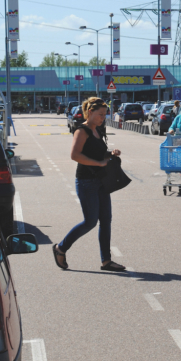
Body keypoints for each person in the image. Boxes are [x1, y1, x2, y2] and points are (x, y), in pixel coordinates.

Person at [53, 97, 125, 272]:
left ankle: (106, 261)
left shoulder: (98, 131)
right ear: (90, 112)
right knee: (90, 221)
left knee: (106, 221)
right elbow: (75, 155)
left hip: (101, 181)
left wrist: (110, 155)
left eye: (104, 114)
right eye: (100, 114)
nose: (103, 118)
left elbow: (98, 153)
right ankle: (60, 248)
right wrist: (98, 163)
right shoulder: (82, 131)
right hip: (86, 182)